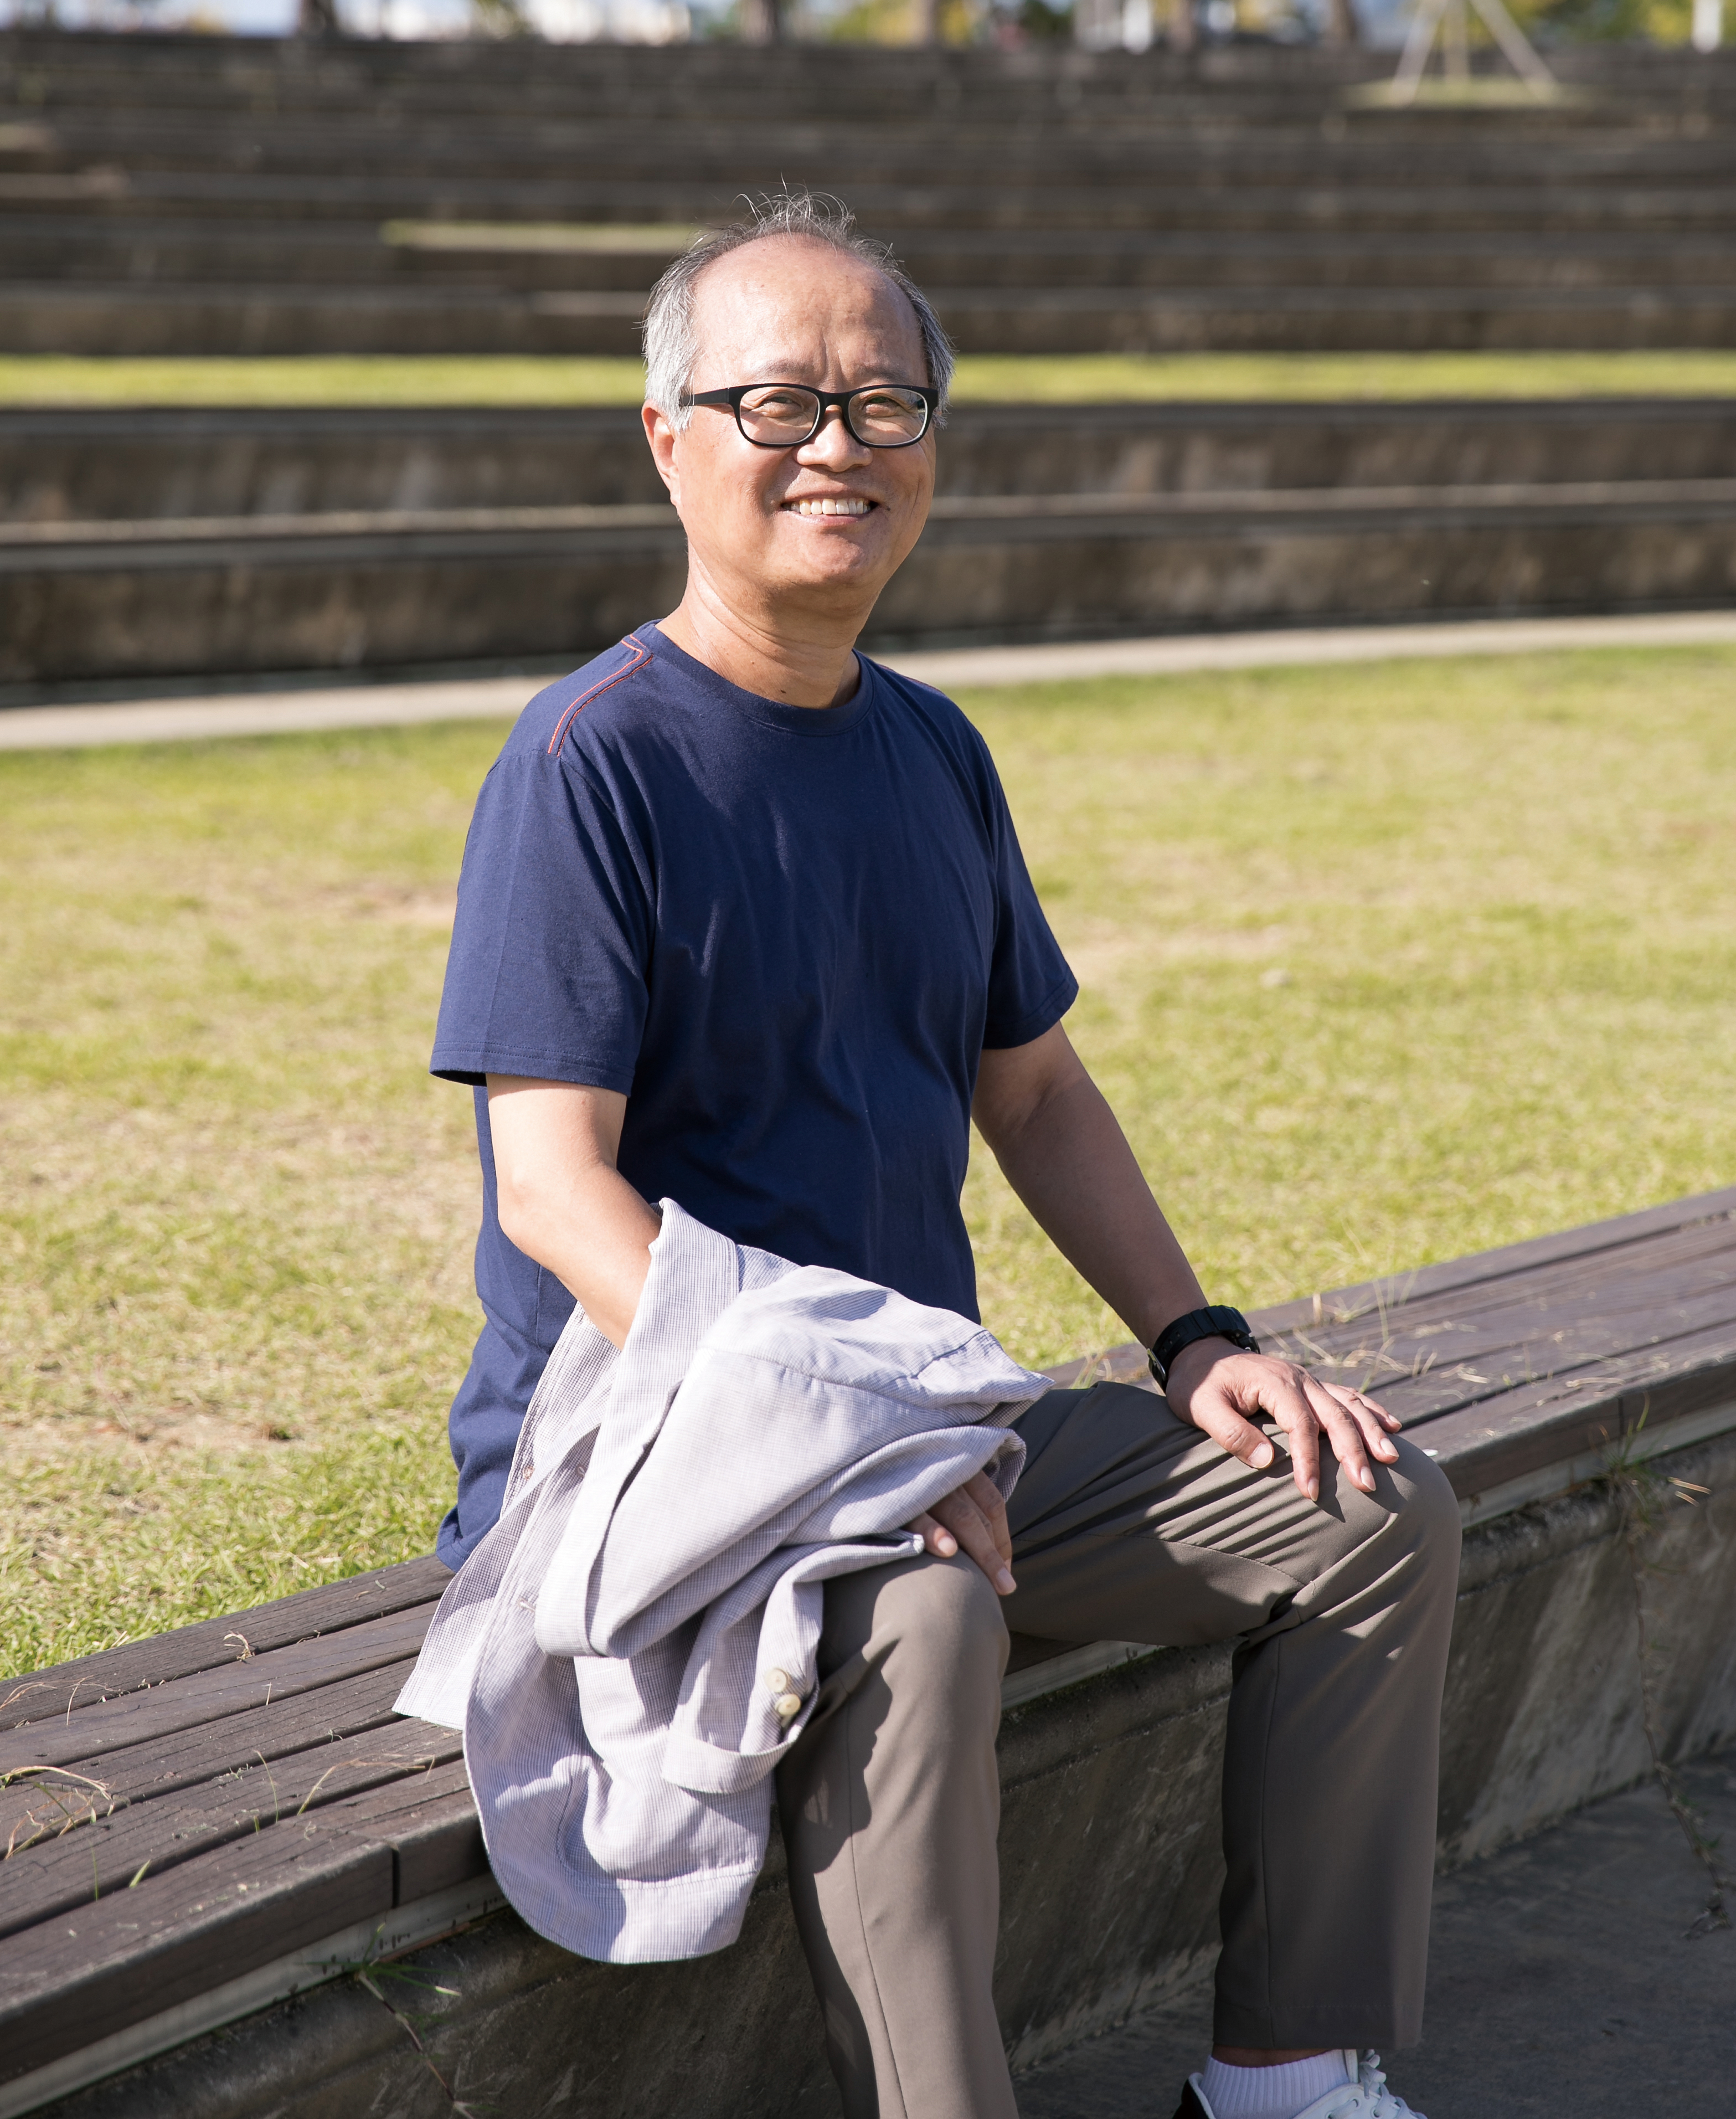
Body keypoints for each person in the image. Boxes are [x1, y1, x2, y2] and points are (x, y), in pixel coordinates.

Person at [430, 191, 1461, 2119]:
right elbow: (557, 1193)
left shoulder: (932, 751)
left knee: (1363, 1511)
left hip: (934, 1422)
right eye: (779, 403)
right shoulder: (589, 767)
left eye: (886, 403)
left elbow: (1041, 1096)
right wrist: (837, 1446)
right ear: (670, 440)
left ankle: (1287, 2078)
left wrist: (1196, 1342)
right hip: (660, 1445)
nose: (838, 445)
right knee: (923, 1602)